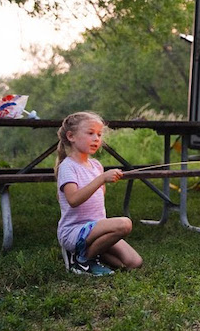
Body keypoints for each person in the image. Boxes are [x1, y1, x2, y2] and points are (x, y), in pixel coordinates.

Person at [55, 111, 143, 275]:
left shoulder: (96, 165)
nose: (96, 138)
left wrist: (104, 178)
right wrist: (101, 179)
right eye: (90, 133)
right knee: (124, 224)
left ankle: (91, 255)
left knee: (133, 263)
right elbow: (73, 200)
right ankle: (81, 260)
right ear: (71, 136)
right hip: (74, 231)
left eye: (99, 134)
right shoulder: (68, 167)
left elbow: (97, 197)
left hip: (96, 230)